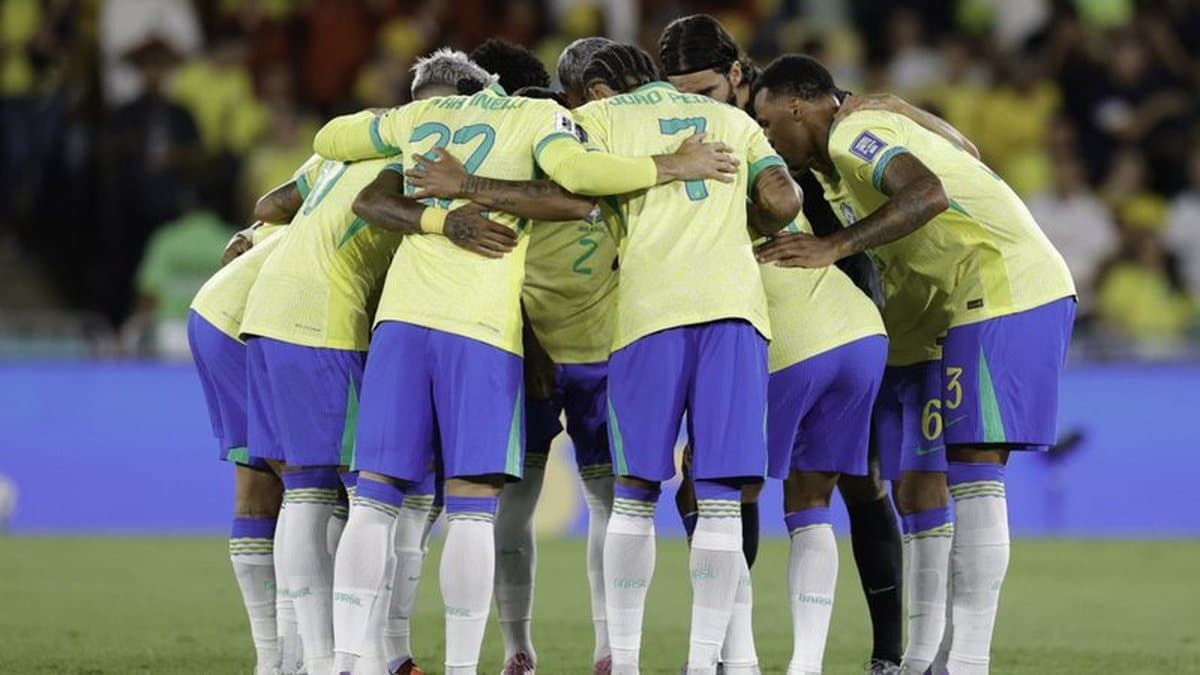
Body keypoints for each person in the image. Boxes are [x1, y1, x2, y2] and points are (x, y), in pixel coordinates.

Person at [313, 48, 737, 675]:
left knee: (377, 500)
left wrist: (438, 203)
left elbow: (330, 137)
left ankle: (344, 661)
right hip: (484, 332)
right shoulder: (538, 121)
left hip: (403, 325)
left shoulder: (418, 120)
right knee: (473, 506)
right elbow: (579, 185)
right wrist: (674, 163)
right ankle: (469, 664)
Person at [752, 55, 1076, 674]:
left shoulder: (850, 134)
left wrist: (834, 245)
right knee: (917, 486)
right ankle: (926, 657)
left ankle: (968, 664)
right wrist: (907, 109)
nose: (767, 139)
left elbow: (930, 191)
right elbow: (968, 151)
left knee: (975, 469)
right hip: (937, 315)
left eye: (769, 123)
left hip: (1004, 288)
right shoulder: (838, 173)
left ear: (801, 105)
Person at [659, 15, 904, 672]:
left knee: (711, 488)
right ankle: (824, 662)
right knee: (818, 492)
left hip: (794, 318)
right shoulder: (750, 125)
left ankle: (734, 655)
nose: (692, 104)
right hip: (850, 325)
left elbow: (813, 206)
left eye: (705, 90)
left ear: (738, 76)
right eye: (678, 90)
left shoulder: (751, 131)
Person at [571, 43, 799, 675]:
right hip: (733, 312)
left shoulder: (605, 117)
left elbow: (570, 176)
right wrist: (734, 224)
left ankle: (627, 659)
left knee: (634, 494)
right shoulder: (733, 120)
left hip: (649, 312)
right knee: (722, 498)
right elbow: (785, 202)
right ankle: (705, 665)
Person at [463, 38, 617, 675]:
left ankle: (592, 648)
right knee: (598, 502)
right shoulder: (606, 145)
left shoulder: (512, 150)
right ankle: (527, 648)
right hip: (554, 353)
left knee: (545, 504)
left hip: (570, 353)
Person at [189, 216, 291, 675]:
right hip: (264, 321)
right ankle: (303, 654)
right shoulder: (385, 179)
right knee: (314, 486)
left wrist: (248, 234)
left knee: (260, 487)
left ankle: (274, 659)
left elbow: (271, 205)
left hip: (217, 310)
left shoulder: (327, 171)